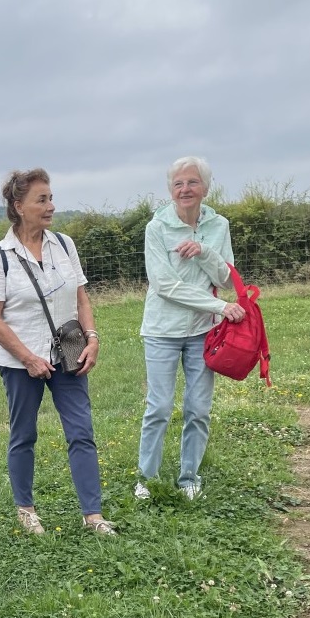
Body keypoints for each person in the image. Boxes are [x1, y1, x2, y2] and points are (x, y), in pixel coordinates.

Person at [0, 169, 115, 536]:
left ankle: (93, 515)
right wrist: (27, 358)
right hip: (19, 361)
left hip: (68, 354)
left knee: (81, 432)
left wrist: (92, 338)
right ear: (18, 206)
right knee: (23, 434)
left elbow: (80, 297)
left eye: (51, 198)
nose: (51, 206)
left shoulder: (65, 244)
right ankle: (26, 510)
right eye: (42, 200)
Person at [134, 156, 246, 501]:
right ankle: (146, 480)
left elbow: (226, 278)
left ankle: (189, 478)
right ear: (170, 190)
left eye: (192, 182)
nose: (185, 189)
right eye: (178, 184)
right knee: (160, 407)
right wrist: (219, 307)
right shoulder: (157, 228)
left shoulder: (219, 226)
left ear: (205, 188)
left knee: (198, 408)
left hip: (203, 332)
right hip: (162, 330)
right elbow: (165, 285)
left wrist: (204, 252)